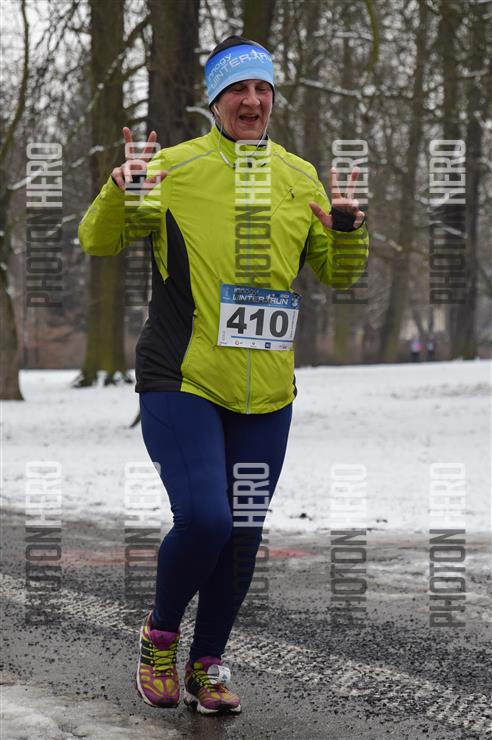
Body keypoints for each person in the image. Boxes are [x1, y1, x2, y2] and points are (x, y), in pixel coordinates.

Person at [78, 35, 369, 715]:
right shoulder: (173, 168)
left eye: (263, 88)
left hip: (266, 389)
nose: (252, 100)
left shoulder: (299, 175)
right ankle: (159, 636)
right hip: (183, 375)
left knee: (242, 533)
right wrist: (121, 189)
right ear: (214, 101)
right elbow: (98, 239)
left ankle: (207, 663)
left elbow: (337, 273)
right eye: (238, 88)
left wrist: (348, 230)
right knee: (207, 518)